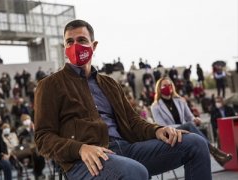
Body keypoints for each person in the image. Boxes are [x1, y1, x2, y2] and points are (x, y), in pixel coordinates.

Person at [34, 19, 212, 180]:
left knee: (195, 143)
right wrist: (80, 148)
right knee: (134, 172)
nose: (75, 46)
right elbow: (43, 138)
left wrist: (157, 130)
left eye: (81, 40)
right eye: (69, 42)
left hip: (126, 150)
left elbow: (133, 121)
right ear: (64, 49)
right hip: (87, 160)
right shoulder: (50, 85)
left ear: (93, 46)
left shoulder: (109, 83)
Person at [151, 76, 232, 167]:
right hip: (171, 134)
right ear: (159, 88)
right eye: (165, 85)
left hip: (186, 130)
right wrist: (184, 125)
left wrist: (195, 119)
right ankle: (216, 152)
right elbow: (162, 126)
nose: (168, 87)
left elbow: (189, 116)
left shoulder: (180, 101)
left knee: (189, 125)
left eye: (170, 85)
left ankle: (216, 154)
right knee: (188, 126)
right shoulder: (155, 106)